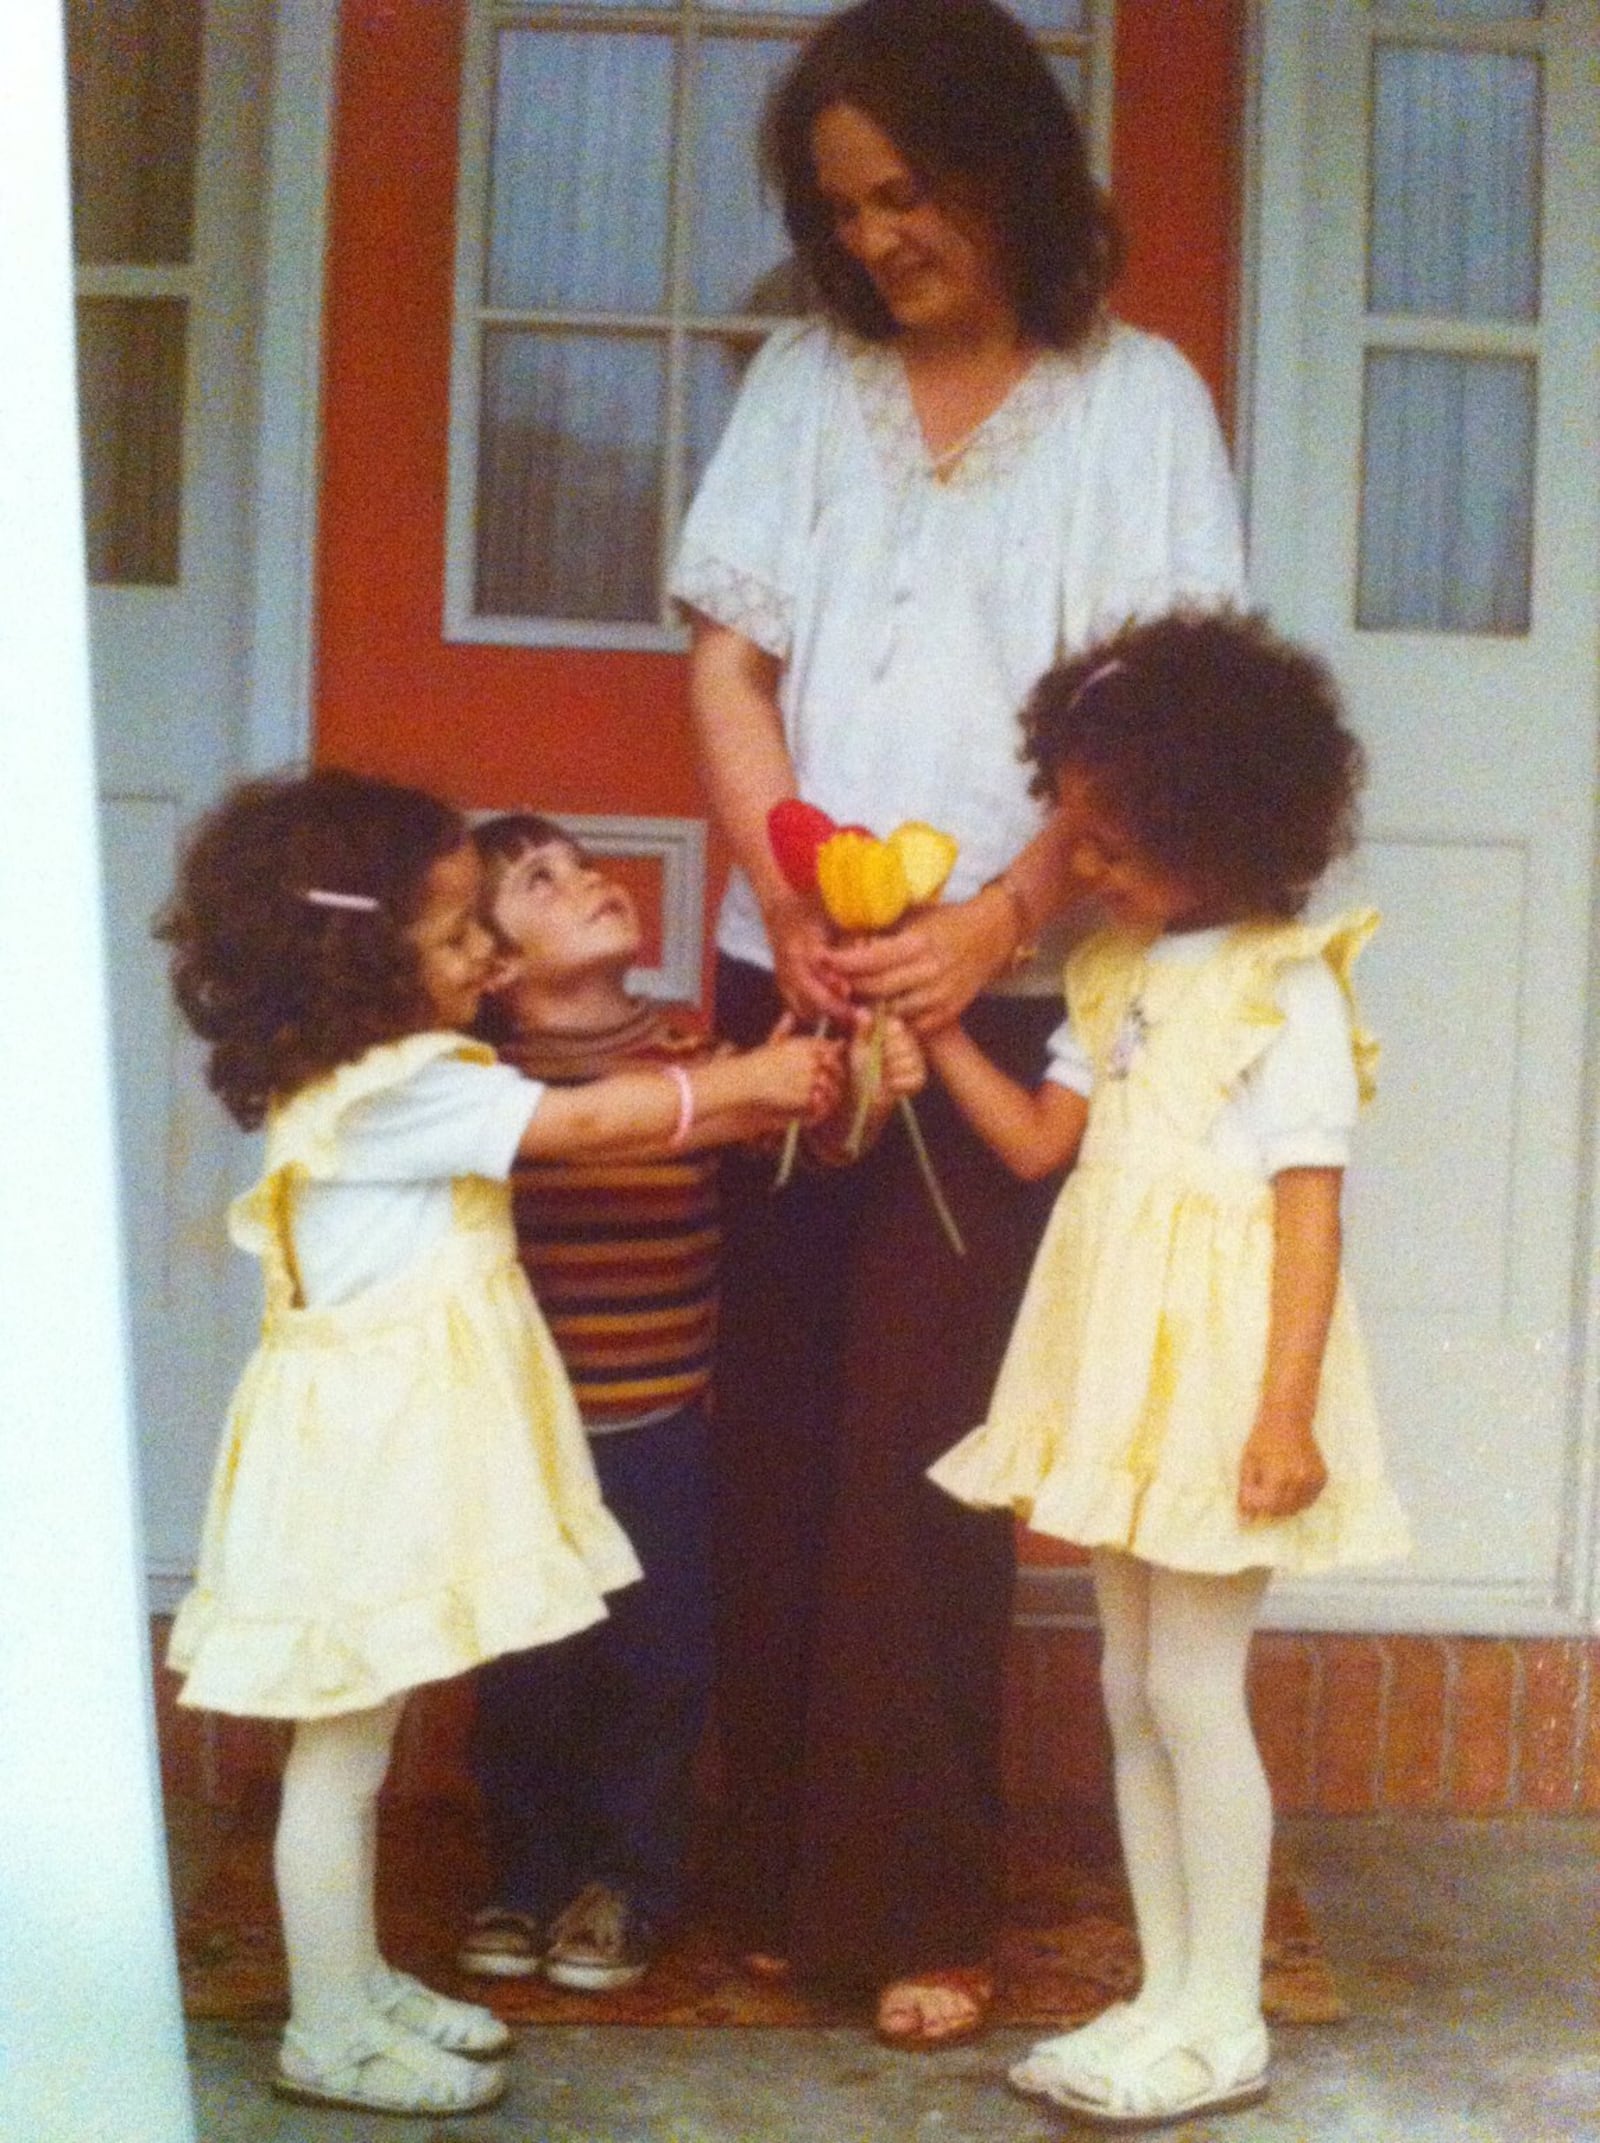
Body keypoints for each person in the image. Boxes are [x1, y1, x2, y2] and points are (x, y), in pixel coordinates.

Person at [668, 0, 1246, 2046]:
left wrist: (992, 913)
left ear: (1006, 168)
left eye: (909, 193)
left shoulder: (1135, 402)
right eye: (844, 208)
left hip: (994, 995)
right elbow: (731, 668)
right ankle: (757, 1871)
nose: (880, 239)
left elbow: (1163, 723)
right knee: (778, 1428)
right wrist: (775, 888)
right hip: (801, 972)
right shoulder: (805, 385)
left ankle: (913, 1898)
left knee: (925, 1449)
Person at [159, 769, 842, 2119]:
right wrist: (747, 1076)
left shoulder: (375, 1076)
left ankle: (357, 1982)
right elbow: (589, 1122)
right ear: (364, 956)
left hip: (384, 1442)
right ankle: (329, 2027)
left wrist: (772, 1090)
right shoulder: (393, 1087)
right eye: (460, 929)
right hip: (365, 1456)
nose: (484, 953)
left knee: (364, 1733)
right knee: (342, 1758)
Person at [921, 610, 1411, 2127]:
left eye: (1113, 844)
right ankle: (1162, 1985)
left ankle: (1226, 2013)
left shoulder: (1291, 984)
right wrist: (934, 1024)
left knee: (1198, 1686)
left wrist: (1280, 1416)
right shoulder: (1112, 971)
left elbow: (1309, 1210)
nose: (1089, 872)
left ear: (1224, 824)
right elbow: (1036, 1146)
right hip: (1117, 1354)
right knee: (1130, 1679)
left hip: (1223, 1379)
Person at [457, 813, 925, 1995]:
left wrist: (854, 1094)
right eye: (542, 880)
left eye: (586, 863)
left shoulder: (690, 1041)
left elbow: (803, 1150)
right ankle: (523, 1875)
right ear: (495, 959)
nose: (591, 881)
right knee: (526, 1665)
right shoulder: (481, 1080)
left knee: (656, 1666)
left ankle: (629, 1881)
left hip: (658, 1430)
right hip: (520, 1438)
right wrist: (717, 1088)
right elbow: (576, 1143)